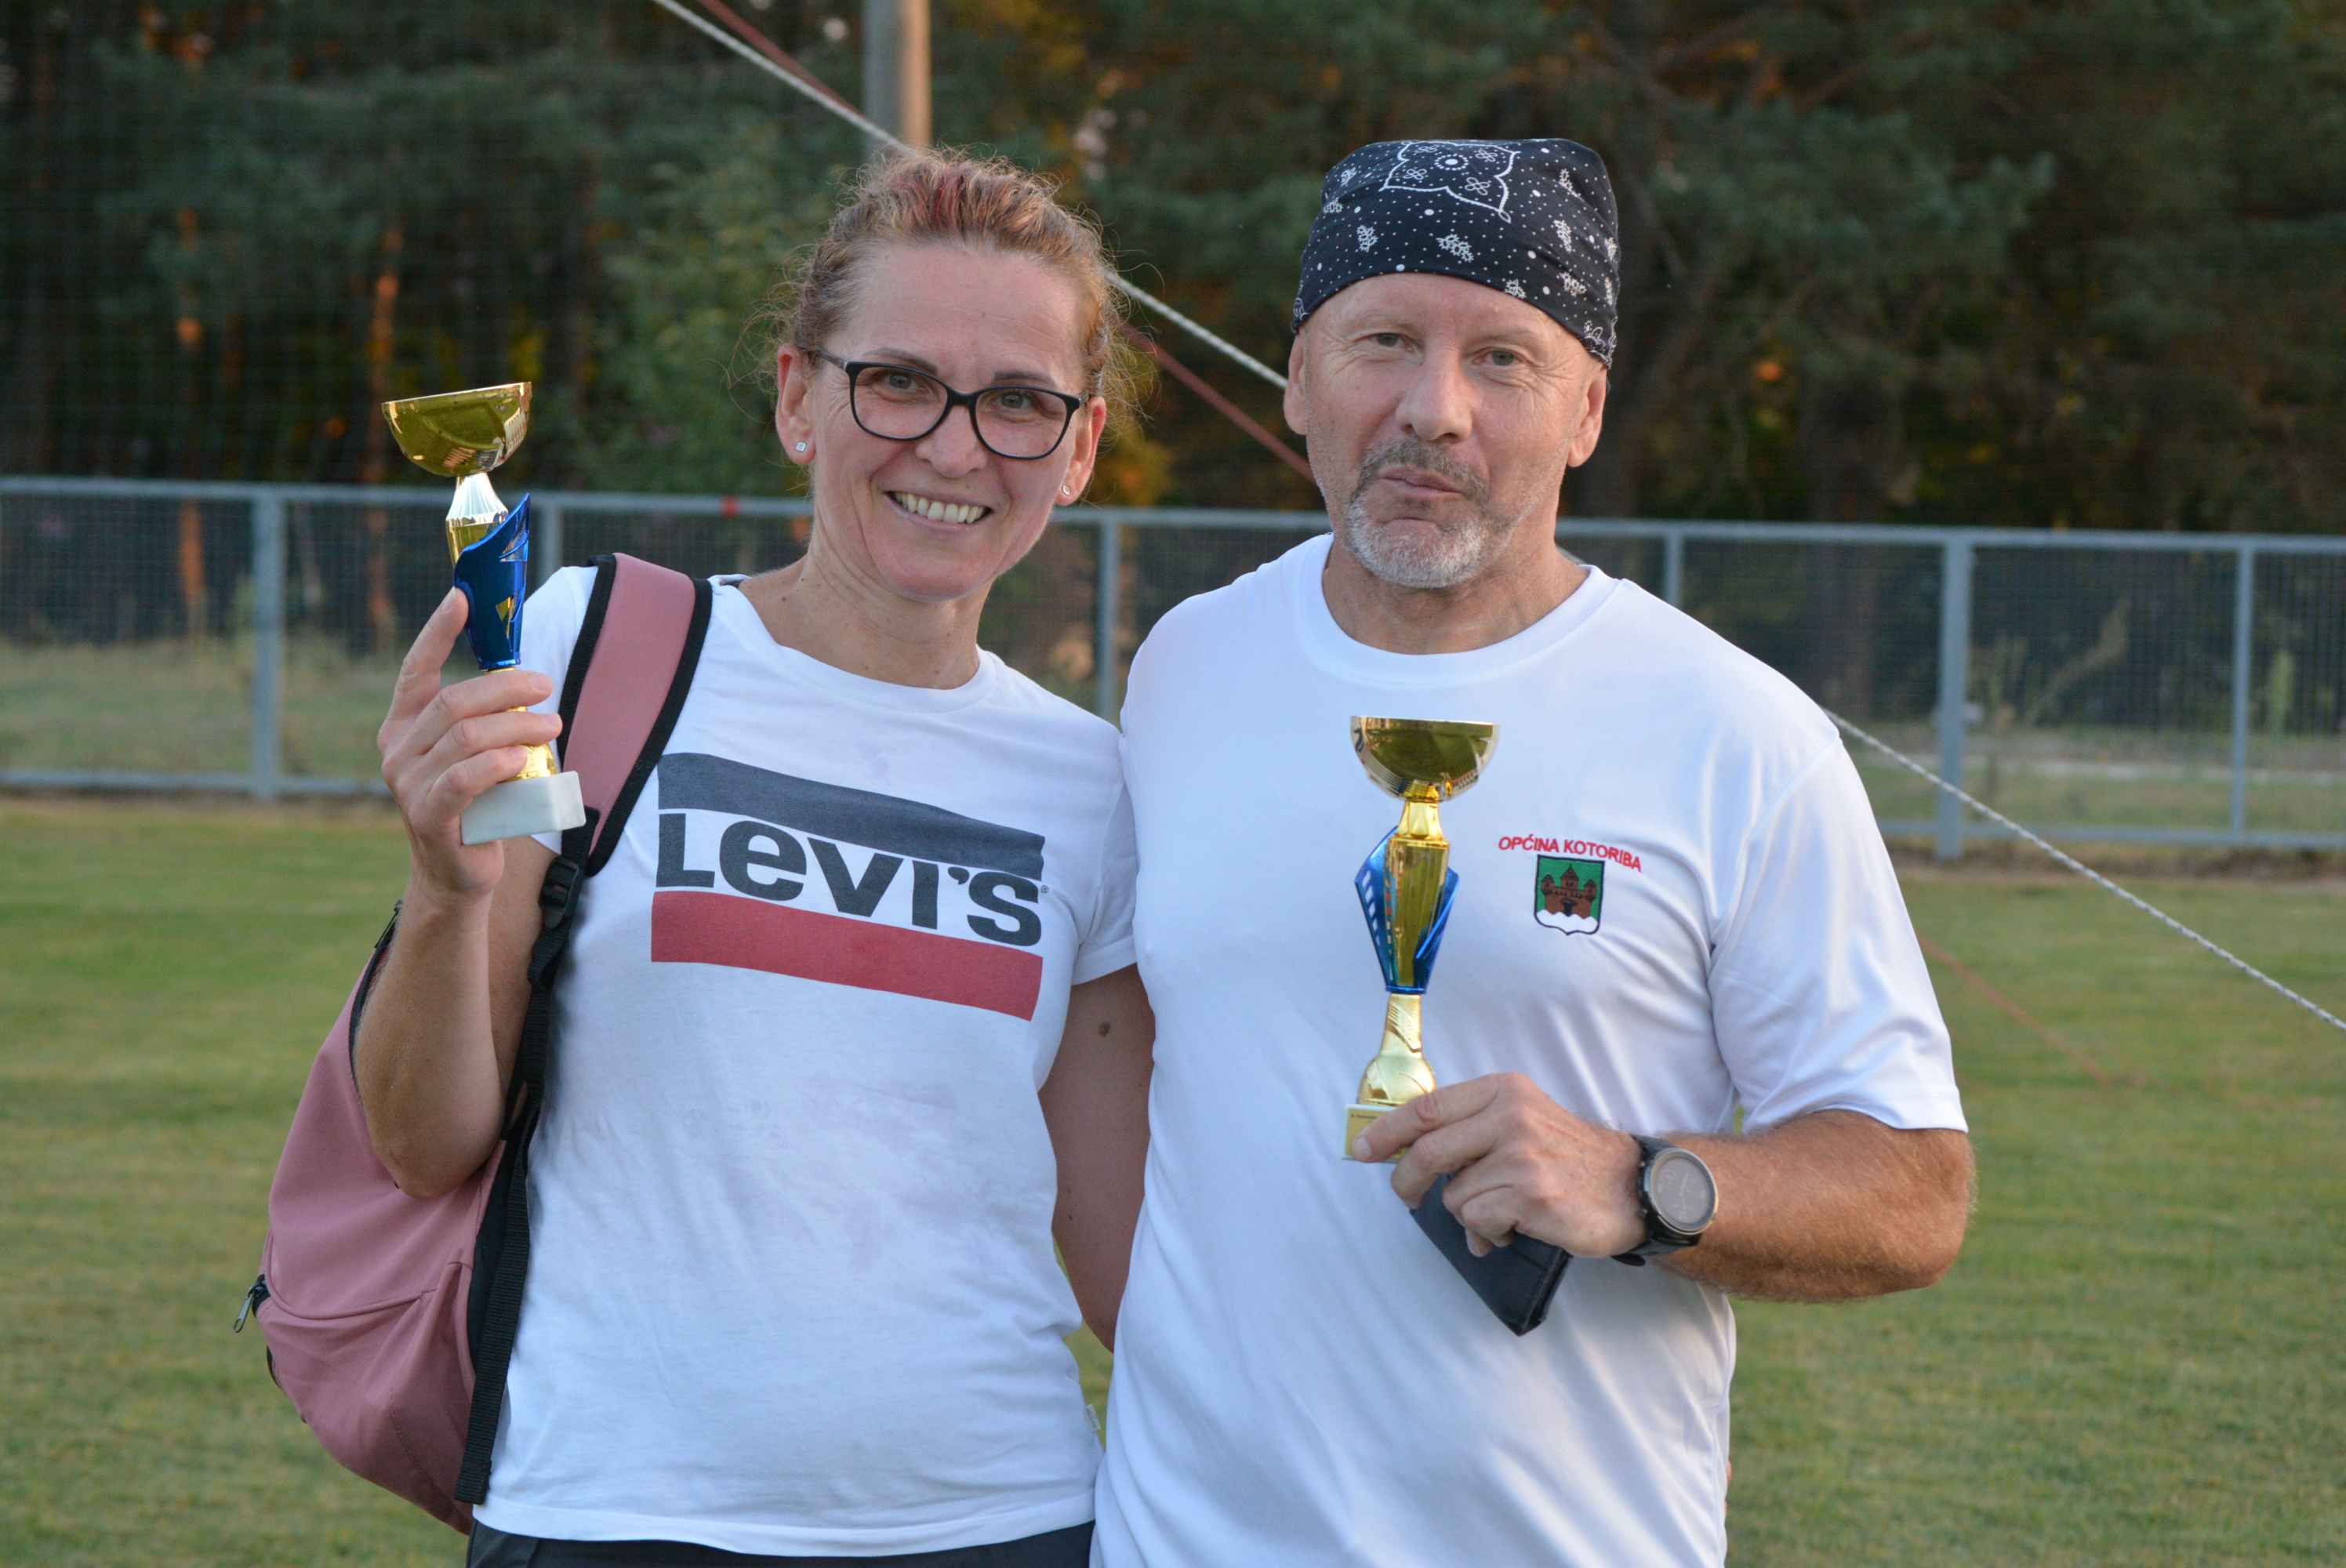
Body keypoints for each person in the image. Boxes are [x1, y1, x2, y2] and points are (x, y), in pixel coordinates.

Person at [1092, 138, 1974, 1566]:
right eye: (1383, 340)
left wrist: (1643, 1187)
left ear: (1586, 411)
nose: (1432, 411)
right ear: (1298, 381)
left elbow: (1916, 1189)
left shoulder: (1732, 729)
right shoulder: (1188, 666)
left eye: (1502, 358)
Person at [361, 148, 1155, 1567]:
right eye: (898, 380)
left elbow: (1128, 1259)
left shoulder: (1095, 785)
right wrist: (444, 886)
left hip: (1000, 1518)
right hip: (609, 1511)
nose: (957, 446)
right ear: (801, 397)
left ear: (1080, 448)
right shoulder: (587, 646)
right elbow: (425, 1142)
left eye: (1020, 402)